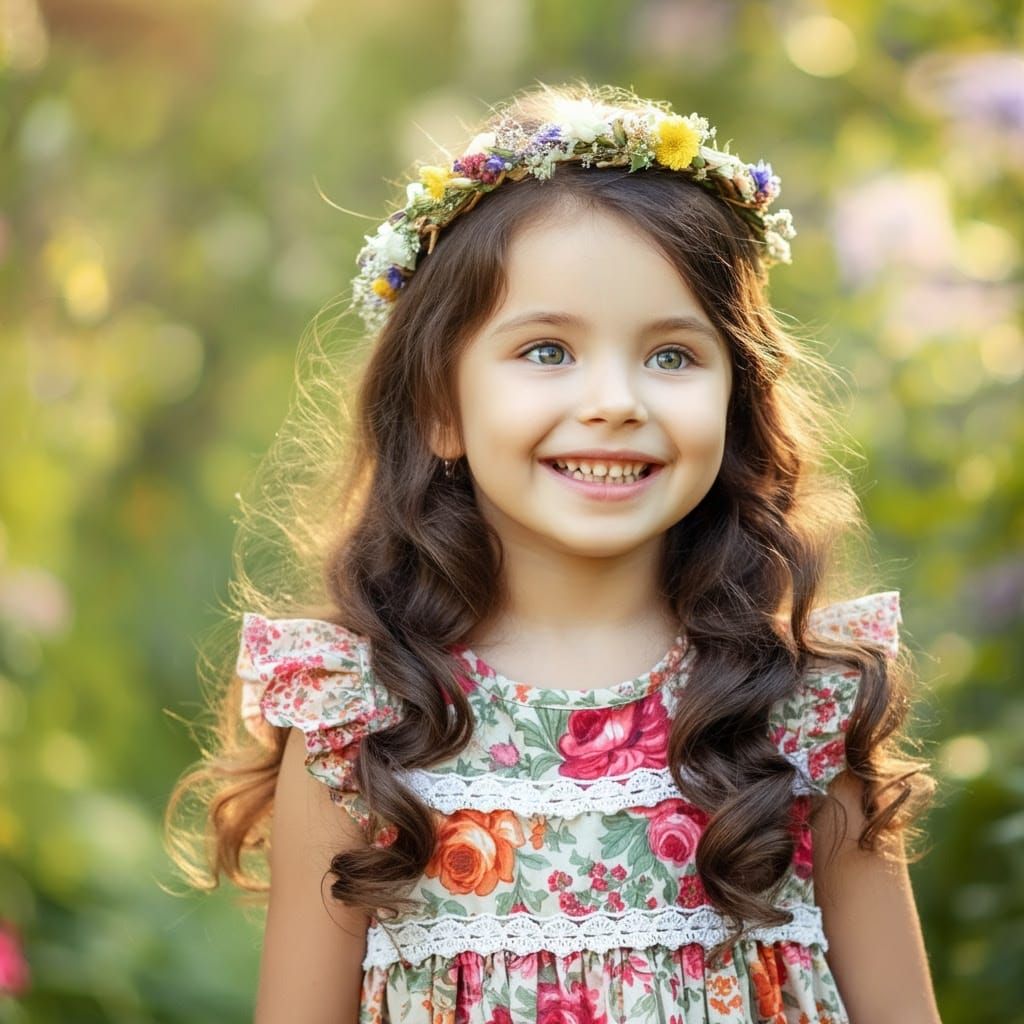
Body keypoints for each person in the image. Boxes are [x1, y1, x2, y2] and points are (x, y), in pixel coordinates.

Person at [167, 82, 942, 1023]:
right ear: (440, 407)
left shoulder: (800, 709)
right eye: (546, 351)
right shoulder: (359, 720)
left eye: (671, 356)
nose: (615, 400)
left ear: (736, 399)